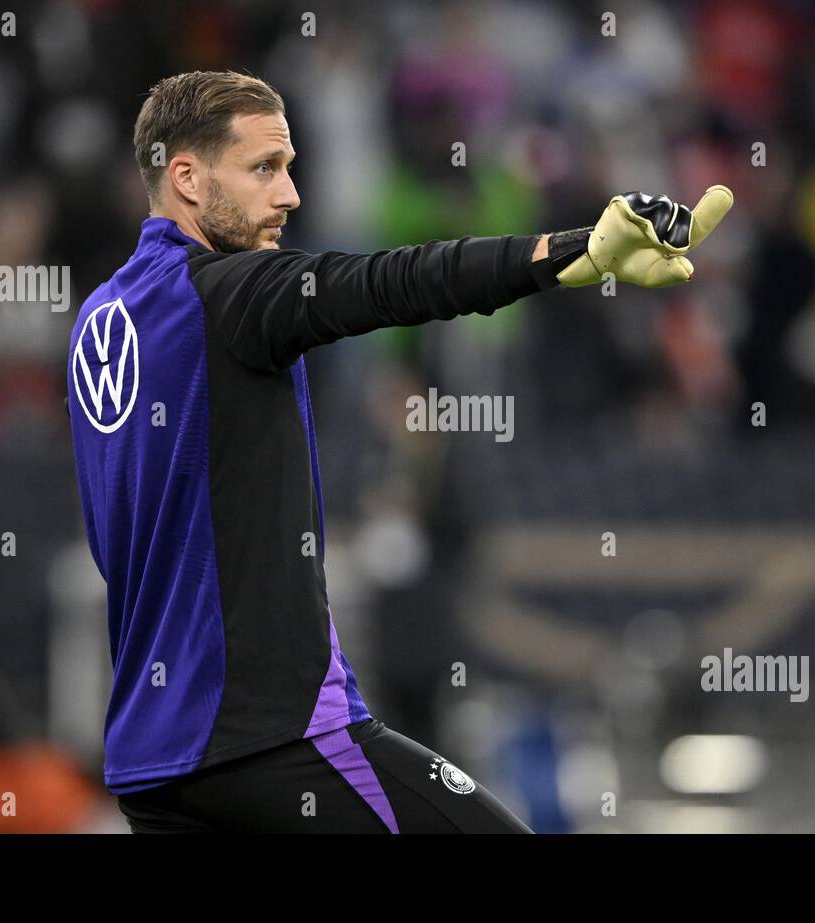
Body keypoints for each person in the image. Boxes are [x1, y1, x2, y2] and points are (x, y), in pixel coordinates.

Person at [65, 69, 732, 832]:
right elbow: (393, 281)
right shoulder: (229, 293)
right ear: (185, 175)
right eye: (264, 169)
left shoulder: (98, 320)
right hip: (272, 736)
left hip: (155, 765)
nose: (290, 196)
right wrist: (570, 251)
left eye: (290, 167)